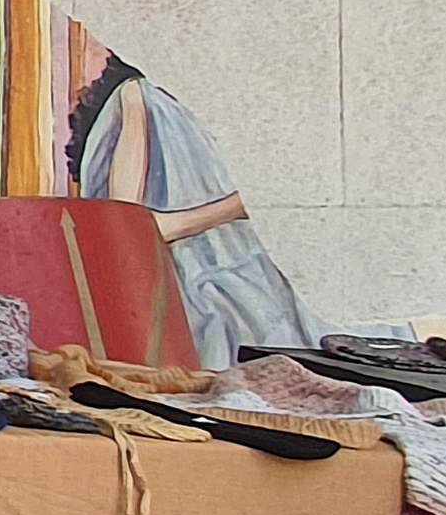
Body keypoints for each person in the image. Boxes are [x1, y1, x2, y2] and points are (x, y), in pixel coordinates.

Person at [69, 52, 320, 358]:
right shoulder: (140, 99)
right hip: (192, 294)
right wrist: (239, 207)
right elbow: (124, 233)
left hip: (259, 283)